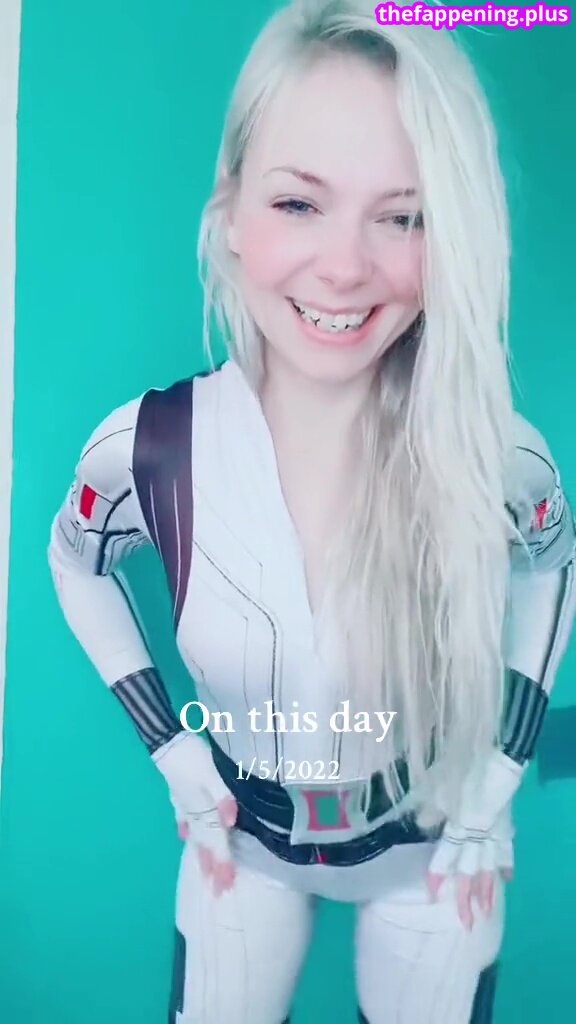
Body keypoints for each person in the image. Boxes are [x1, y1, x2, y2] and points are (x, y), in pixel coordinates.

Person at [47, 1, 576, 1021]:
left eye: (405, 215)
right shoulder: (150, 448)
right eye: (299, 203)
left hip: (432, 852)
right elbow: (76, 562)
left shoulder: (498, 453)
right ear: (230, 214)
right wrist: (174, 753)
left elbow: (552, 563)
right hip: (242, 846)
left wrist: (500, 773)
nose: (344, 267)